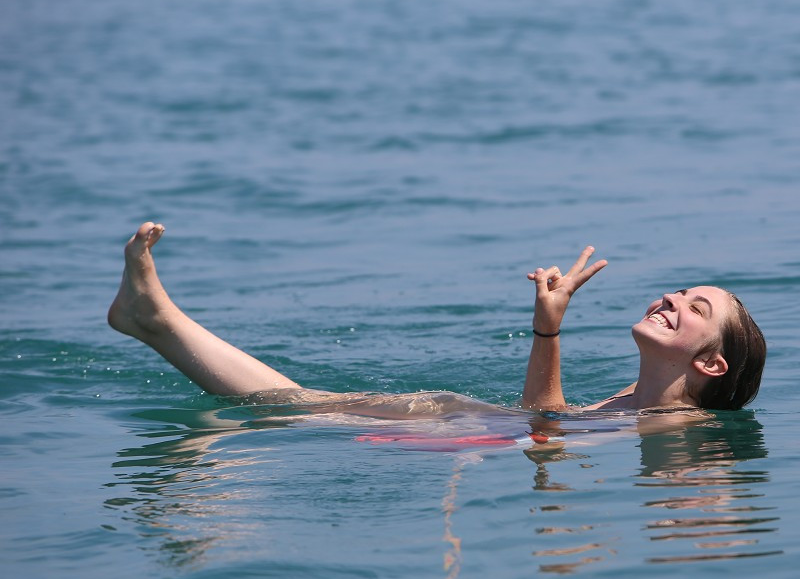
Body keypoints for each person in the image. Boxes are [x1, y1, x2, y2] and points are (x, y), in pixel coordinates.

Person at [109, 223, 765, 413]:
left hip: (469, 440)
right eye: (679, 291)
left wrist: (549, 329)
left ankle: (158, 321)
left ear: (710, 362)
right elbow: (552, 426)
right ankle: (156, 321)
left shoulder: (672, 427)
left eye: (695, 307)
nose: (672, 299)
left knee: (302, 407)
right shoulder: (639, 400)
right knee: (303, 404)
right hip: (471, 427)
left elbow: (544, 431)